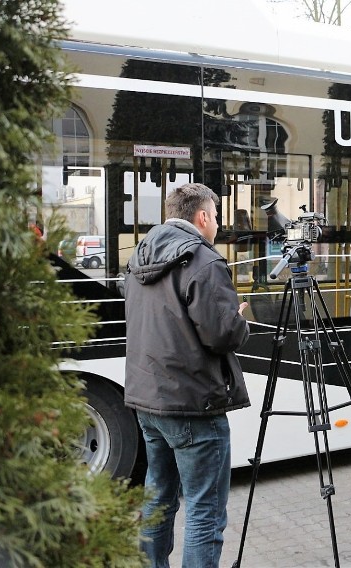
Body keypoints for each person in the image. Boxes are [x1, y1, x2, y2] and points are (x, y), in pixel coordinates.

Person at [124, 182, 251, 567]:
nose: (216, 224)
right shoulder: (203, 261)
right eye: (215, 216)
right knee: (204, 510)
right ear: (202, 217)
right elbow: (221, 333)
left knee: (158, 496)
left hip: (149, 399)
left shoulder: (138, 258)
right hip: (194, 404)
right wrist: (241, 320)